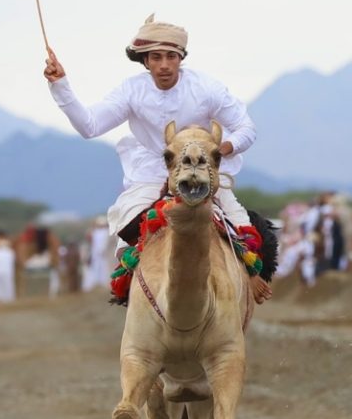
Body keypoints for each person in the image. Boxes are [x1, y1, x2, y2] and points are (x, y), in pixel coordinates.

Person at [43, 15, 276, 302]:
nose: (164, 65)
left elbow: (246, 128)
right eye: (156, 57)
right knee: (129, 228)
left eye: (171, 56)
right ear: (145, 61)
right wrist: (60, 85)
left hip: (202, 170)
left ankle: (248, 279)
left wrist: (221, 150)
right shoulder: (131, 90)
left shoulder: (206, 88)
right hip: (153, 171)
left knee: (242, 227)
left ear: (181, 58)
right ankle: (136, 291)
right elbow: (89, 126)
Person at [0, 235, 17, 302]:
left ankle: (3, 297)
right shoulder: (7, 252)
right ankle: (3, 297)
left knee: (2, 283)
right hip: (4, 271)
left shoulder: (0, 252)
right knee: (4, 283)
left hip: (2, 271)